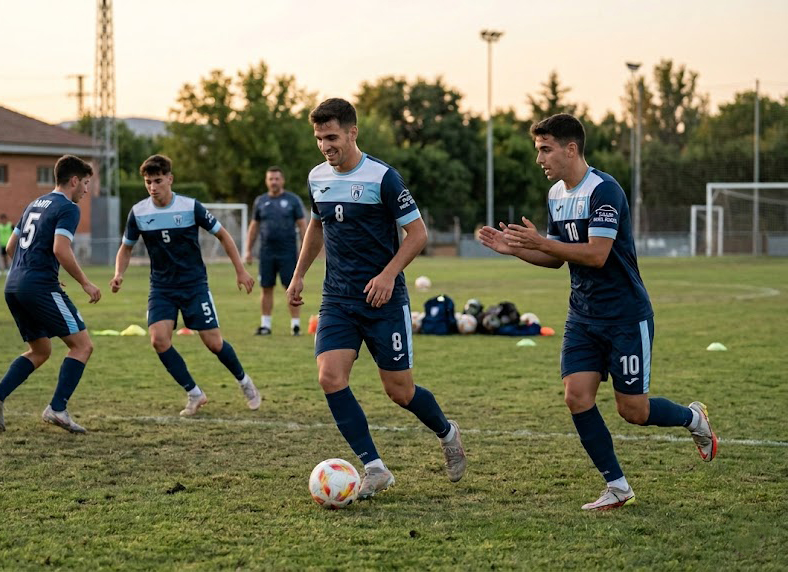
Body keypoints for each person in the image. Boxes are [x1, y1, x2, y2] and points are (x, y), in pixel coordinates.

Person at [477, 113, 717, 511]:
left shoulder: (605, 190)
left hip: (625, 315)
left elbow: (596, 254)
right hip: (583, 317)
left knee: (634, 411)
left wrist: (539, 241)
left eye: (545, 149)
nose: (540, 159)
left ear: (571, 149)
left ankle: (694, 419)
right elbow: (557, 259)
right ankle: (618, 486)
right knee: (576, 396)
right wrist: (516, 249)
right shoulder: (557, 195)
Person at [286, 98, 467, 499]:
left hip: (384, 301)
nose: (325, 146)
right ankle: (374, 467)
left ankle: (447, 431)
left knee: (400, 391)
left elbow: (417, 234)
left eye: (331, 137)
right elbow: (317, 227)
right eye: (318, 138)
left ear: (353, 133)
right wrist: (299, 275)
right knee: (329, 377)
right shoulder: (318, 177)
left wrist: (388, 274)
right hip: (337, 298)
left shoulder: (383, 177)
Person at [111, 154, 261, 416]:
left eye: (158, 180)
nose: (153, 187)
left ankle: (245, 383)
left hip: (194, 286)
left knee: (214, 343)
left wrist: (240, 270)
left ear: (170, 178)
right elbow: (126, 248)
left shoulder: (190, 207)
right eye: (148, 182)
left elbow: (223, 235)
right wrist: (118, 273)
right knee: (159, 340)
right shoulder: (139, 212)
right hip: (161, 288)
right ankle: (194, 393)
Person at [0, 155, 101, 434]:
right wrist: (84, 282)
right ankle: (57, 409)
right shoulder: (68, 208)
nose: (86, 190)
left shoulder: (34, 203)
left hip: (14, 285)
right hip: (38, 286)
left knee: (41, 350)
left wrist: (31, 271)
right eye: (85, 183)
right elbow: (61, 249)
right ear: (73, 180)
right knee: (82, 346)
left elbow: (11, 247)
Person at [245, 166, 307, 336]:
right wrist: (248, 250)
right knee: (266, 288)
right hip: (266, 252)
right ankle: (266, 325)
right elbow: (254, 226)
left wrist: (304, 248)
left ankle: (295, 326)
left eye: (277, 178)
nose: (274, 182)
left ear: (282, 180)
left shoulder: (293, 200)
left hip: (288, 252)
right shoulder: (260, 201)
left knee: (291, 287)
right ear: (266, 181)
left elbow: (303, 225)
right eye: (270, 179)